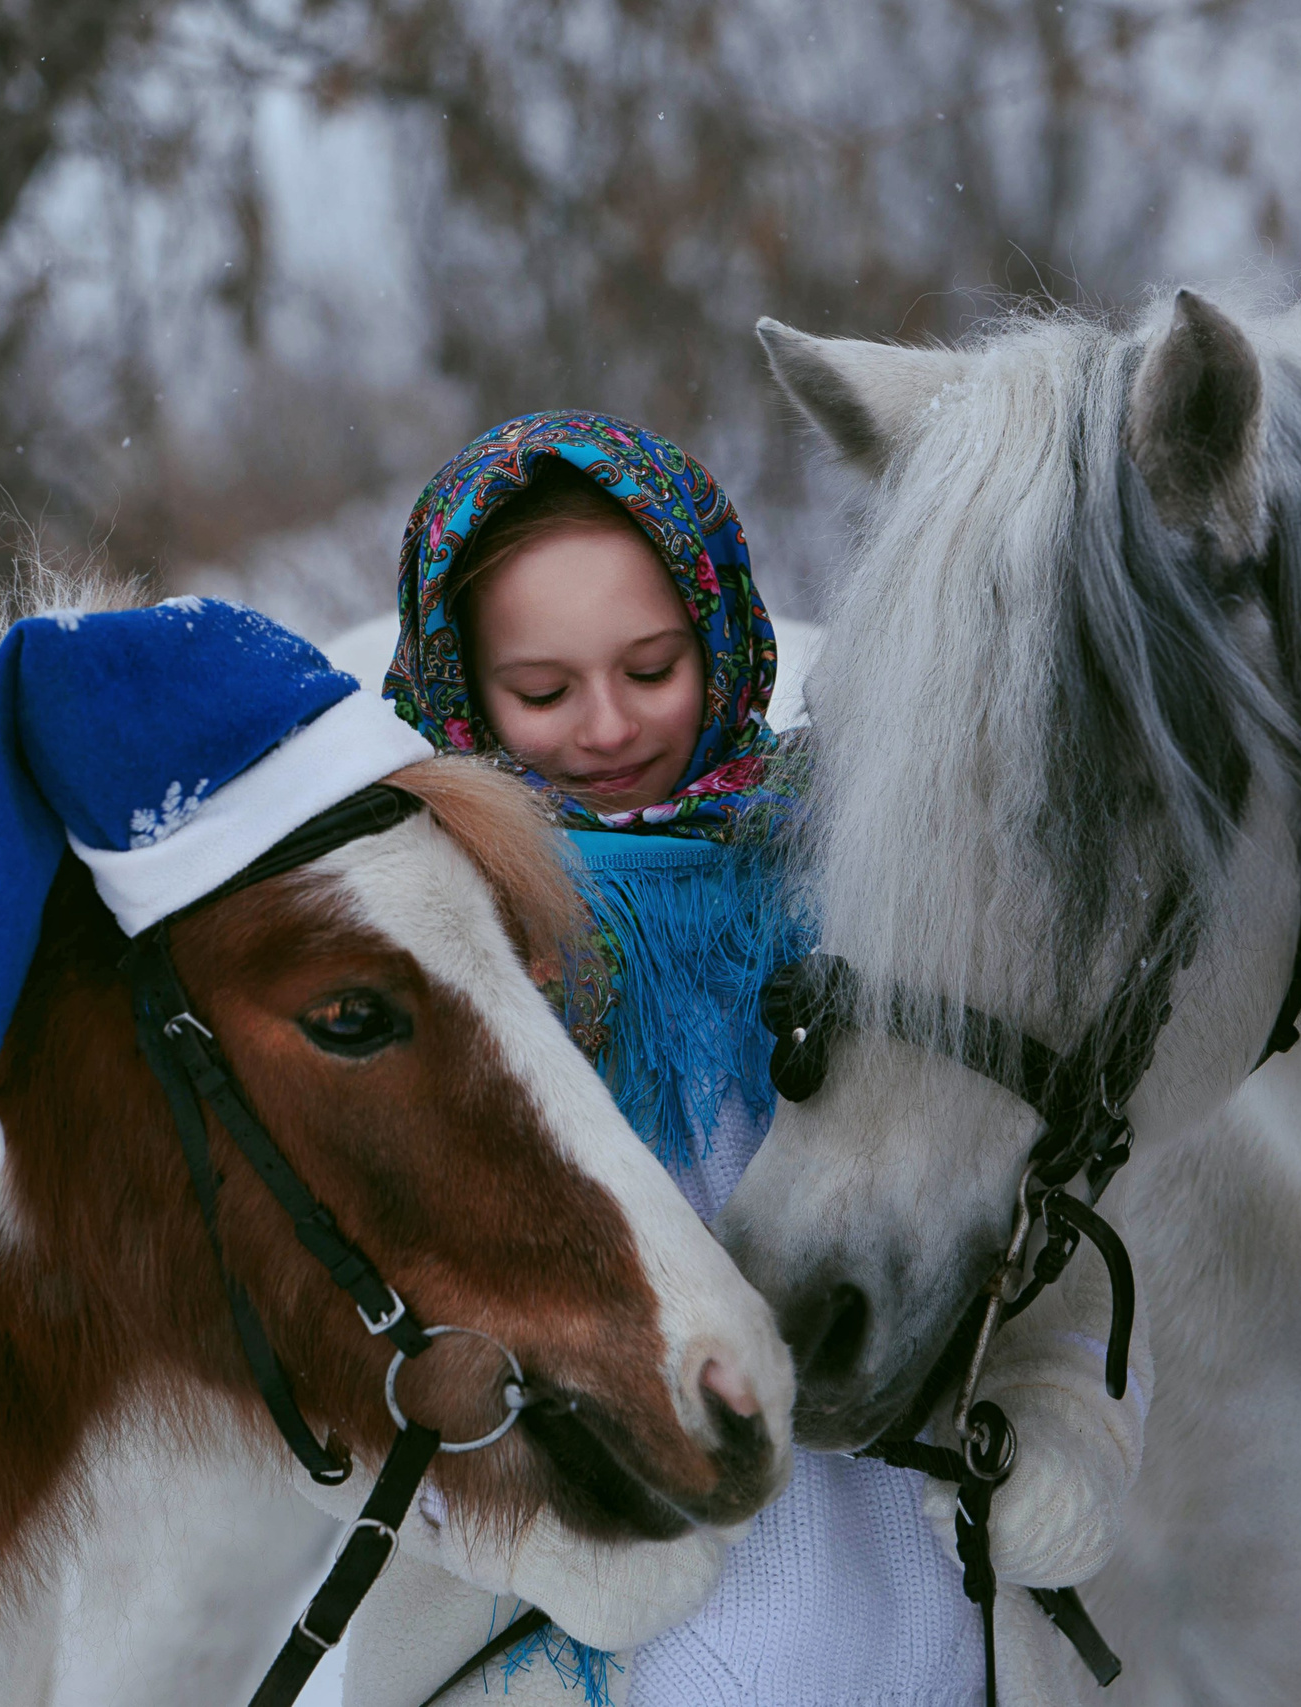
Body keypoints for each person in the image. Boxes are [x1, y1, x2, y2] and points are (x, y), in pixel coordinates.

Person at [355, 410, 992, 1706]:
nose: (605, 728)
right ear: (458, 684)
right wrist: (511, 1522)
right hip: (588, 1638)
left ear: (723, 634)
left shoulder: (862, 874)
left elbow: (1018, 1206)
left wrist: (1070, 1414)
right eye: (540, 691)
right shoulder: (420, 933)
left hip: (911, 1616)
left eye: (653, 667)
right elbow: (345, 1345)